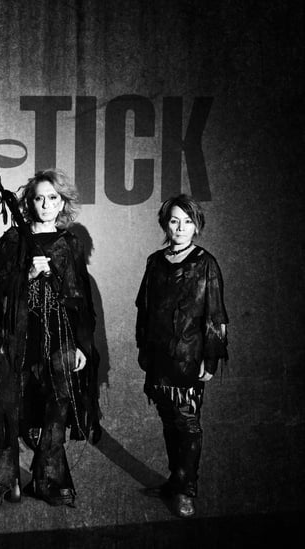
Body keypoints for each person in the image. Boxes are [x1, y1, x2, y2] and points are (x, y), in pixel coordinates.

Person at [0, 169, 100, 508]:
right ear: (29, 203)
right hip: (16, 338)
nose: (46, 204)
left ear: (62, 203)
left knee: (57, 406)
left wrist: (82, 345)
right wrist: (28, 274)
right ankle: (2, 477)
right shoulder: (13, 241)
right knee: (7, 404)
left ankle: (48, 477)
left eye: (52, 198)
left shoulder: (70, 244)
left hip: (59, 339)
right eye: (39, 198)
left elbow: (81, 299)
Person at [135, 194, 228, 518]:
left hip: (189, 357)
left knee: (188, 424)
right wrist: (143, 348)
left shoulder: (206, 262)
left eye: (188, 221)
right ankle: (175, 480)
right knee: (168, 422)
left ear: (197, 225)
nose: (181, 227)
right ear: (165, 224)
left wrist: (211, 358)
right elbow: (144, 310)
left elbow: (216, 315)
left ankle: (186, 489)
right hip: (159, 357)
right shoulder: (155, 262)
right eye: (175, 220)